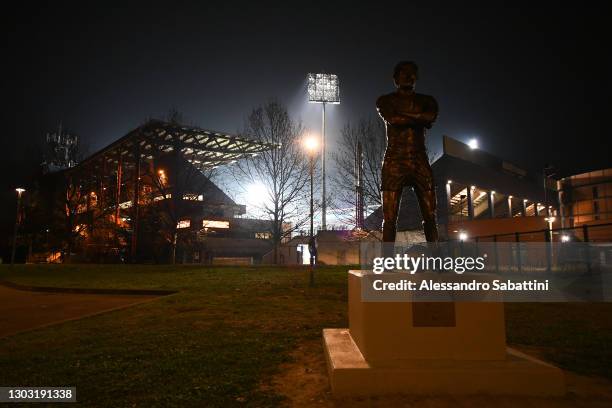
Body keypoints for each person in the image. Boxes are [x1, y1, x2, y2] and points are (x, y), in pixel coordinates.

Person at [376, 61, 439, 243]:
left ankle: (436, 265)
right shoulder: (385, 100)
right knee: (389, 218)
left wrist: (406, 117)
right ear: (395, 78)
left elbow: (430, 117)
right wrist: (420, 118)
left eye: (412, 73)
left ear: (416, 77)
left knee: (430, 215)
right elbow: (393, 119)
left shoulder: (427, 100)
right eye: (404, 73)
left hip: (419, 159)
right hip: (394, 161)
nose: (408, 76)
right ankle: (387, 264)